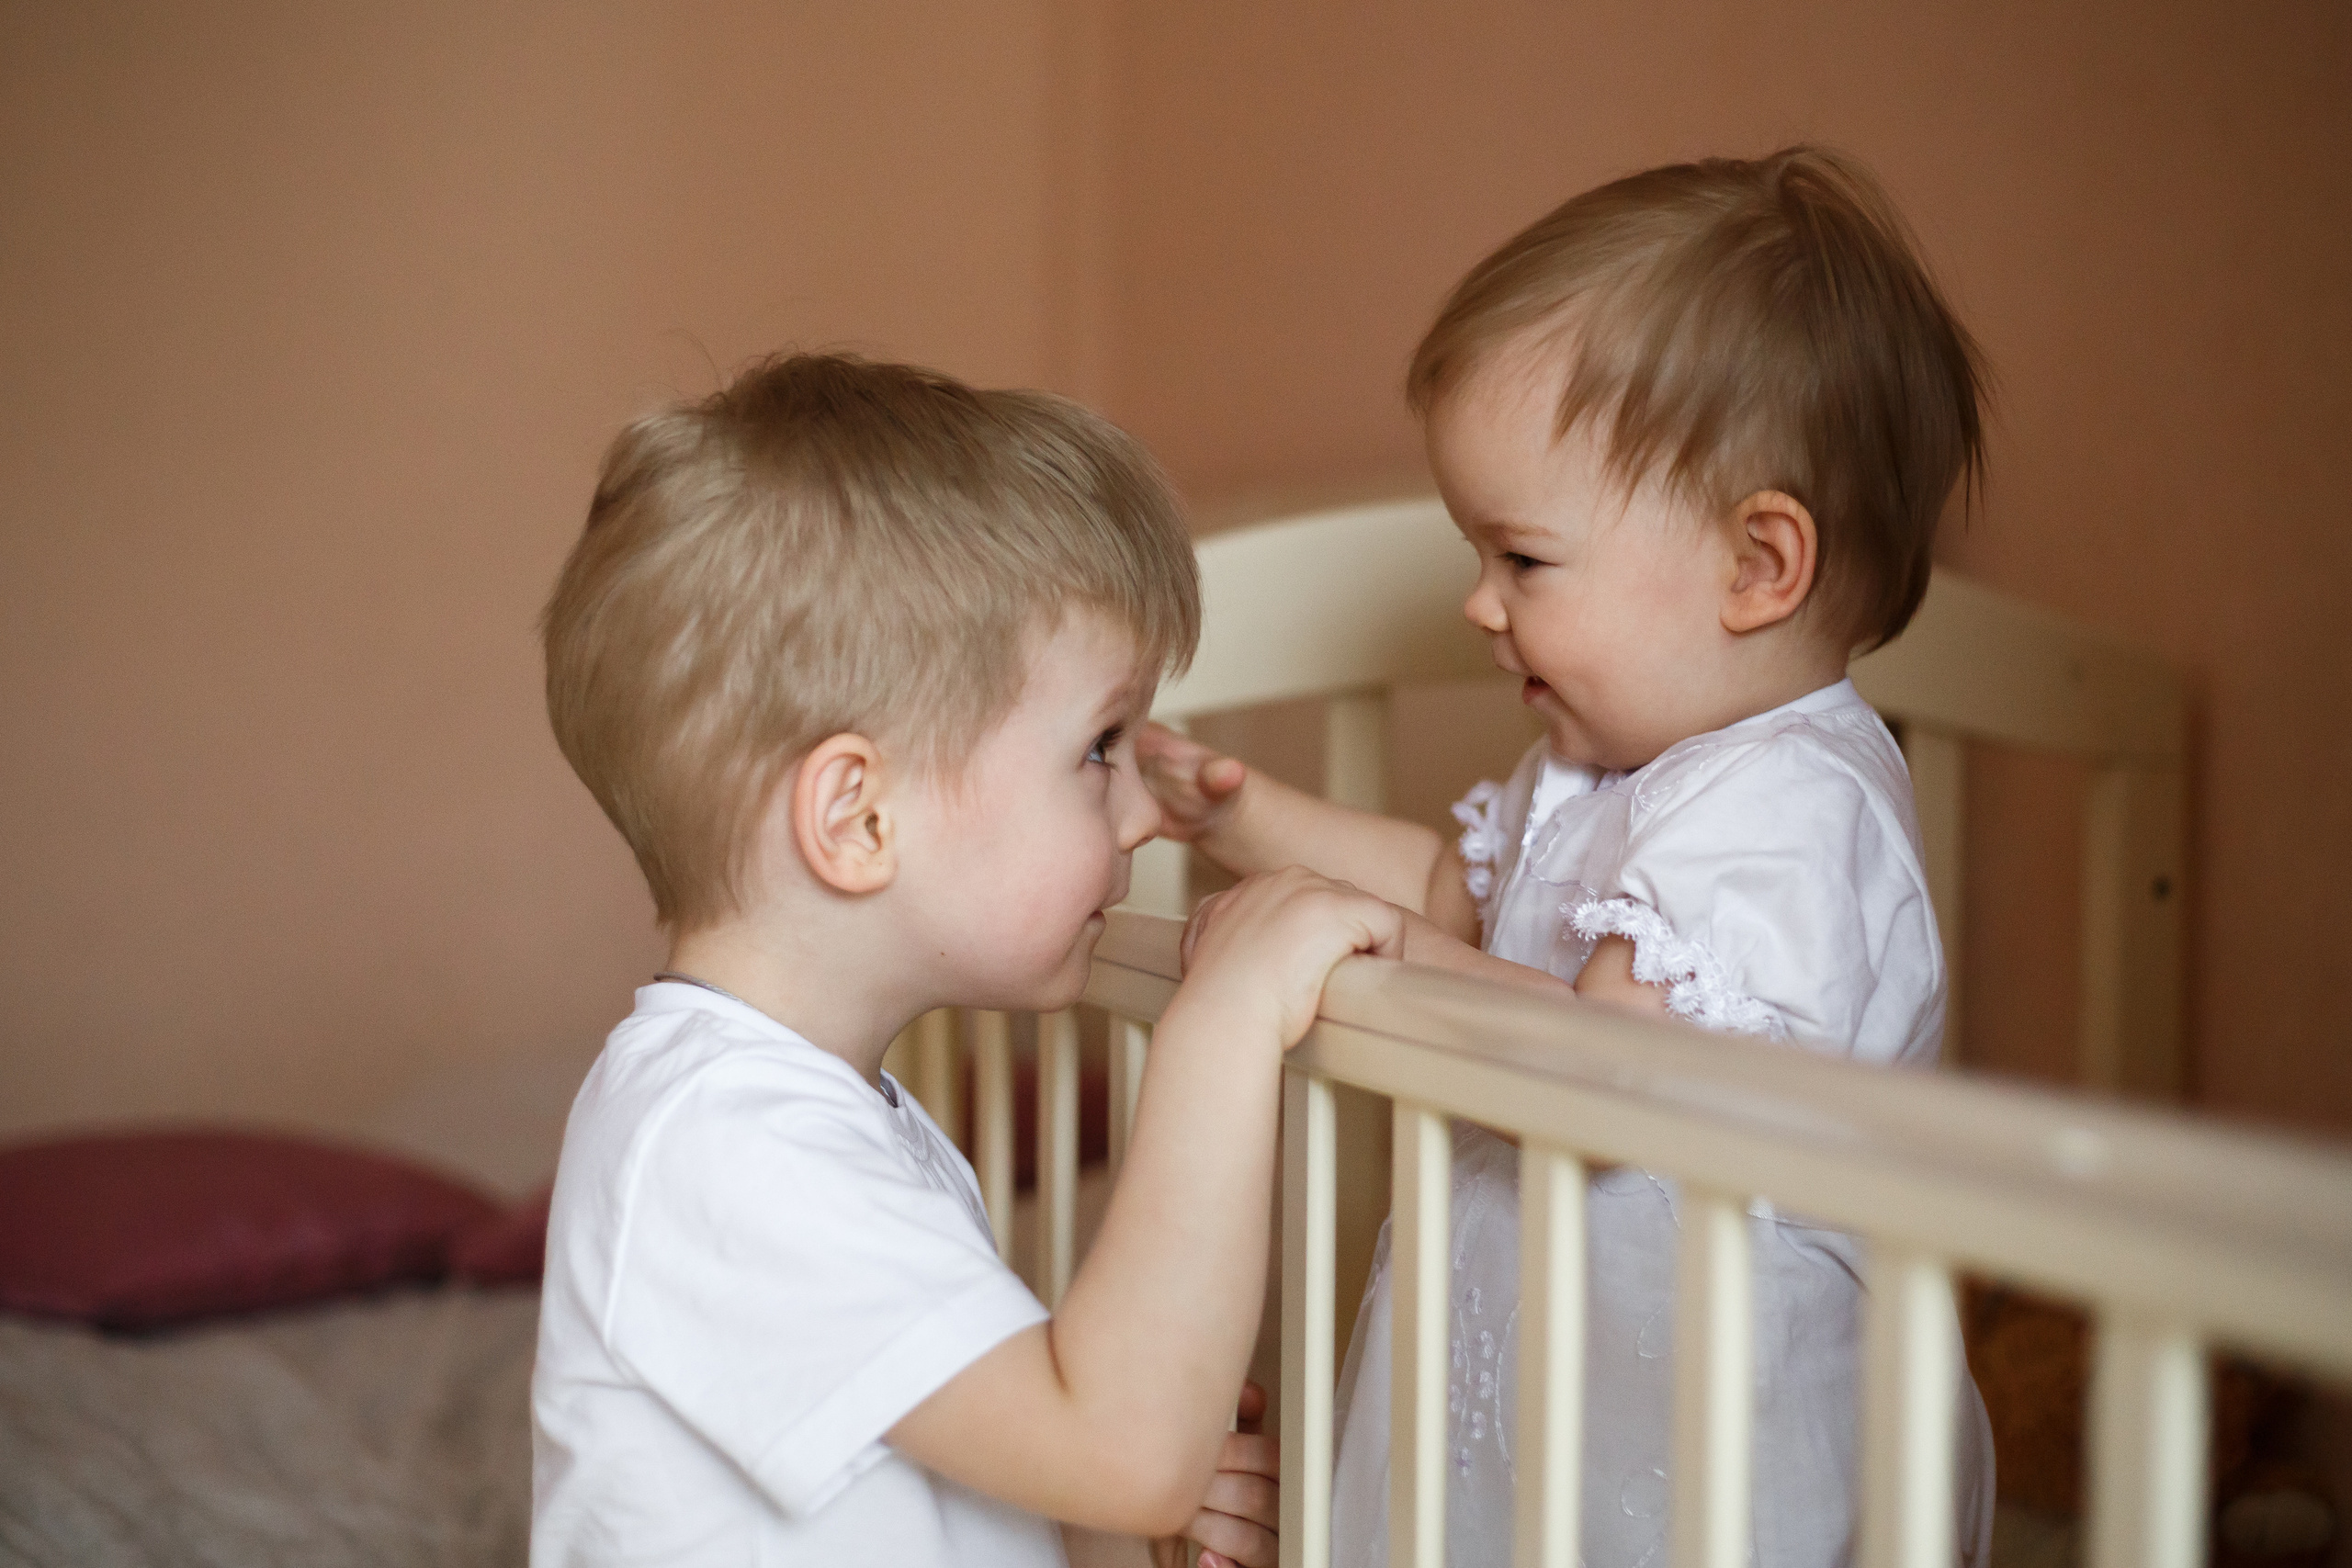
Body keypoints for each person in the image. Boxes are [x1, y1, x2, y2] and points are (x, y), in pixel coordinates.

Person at [1140, 147, 1996, 1567]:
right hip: (1541, 1410)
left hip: (1715, 1447)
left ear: (1758, 566)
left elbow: (1602, 1076)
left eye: (1522, 560)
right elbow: (1449, 899)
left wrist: (1361, 957)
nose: (1478, 606)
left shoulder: (1795, 808)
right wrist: (1245, 822)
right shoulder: (1600, 766)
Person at [532, 352, 1406, 1567]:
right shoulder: (723, 1147)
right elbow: (1123, 1446)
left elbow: (935, 1491)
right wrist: (1223, 1022)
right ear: (860, 820)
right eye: (1098, 748)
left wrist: (1099, 1522)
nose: (1144, 812)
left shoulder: (820, 1118)